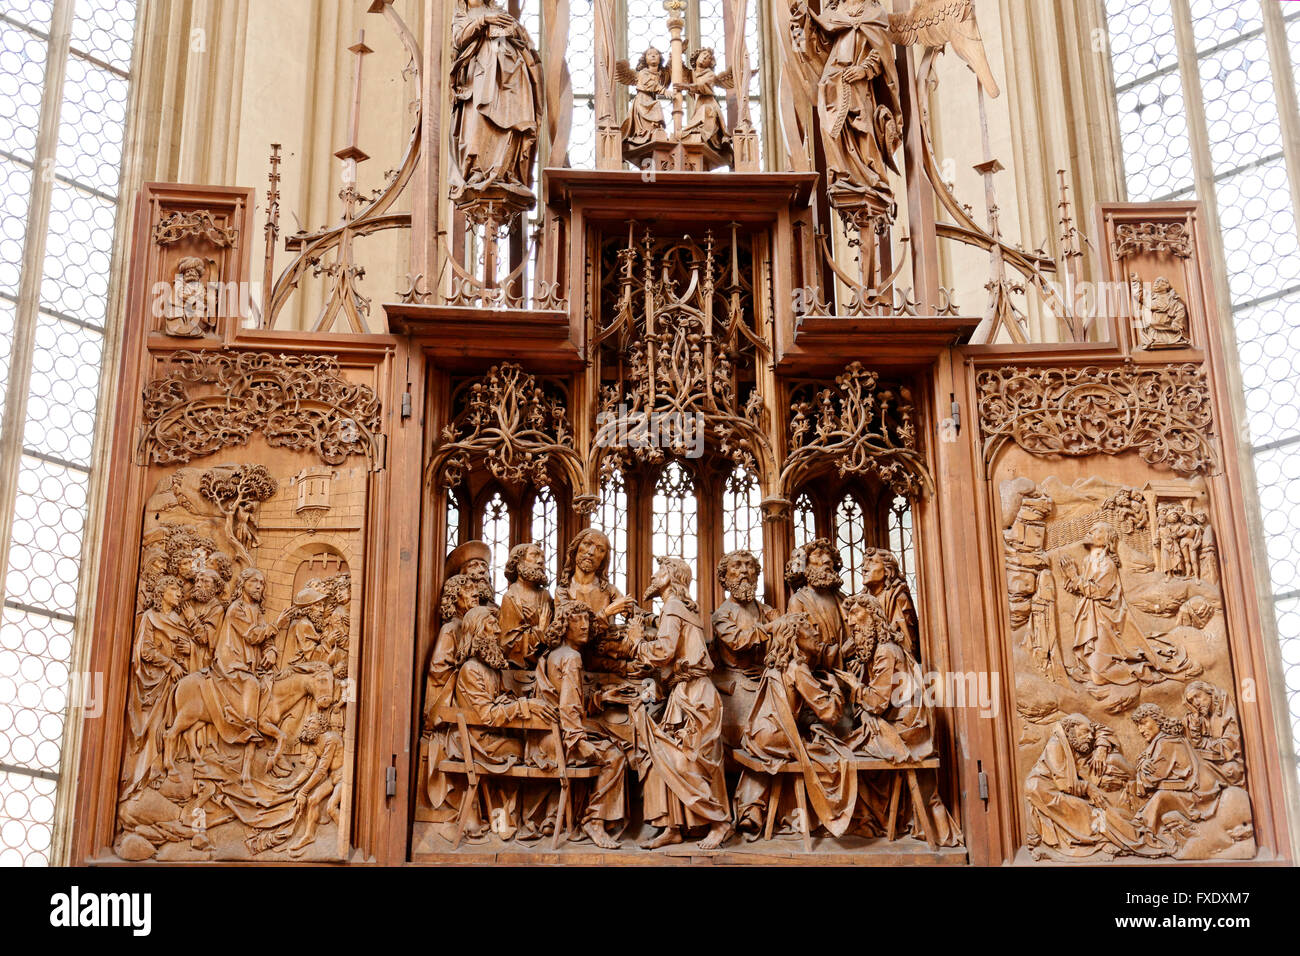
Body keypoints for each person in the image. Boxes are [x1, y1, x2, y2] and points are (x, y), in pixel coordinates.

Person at [627, 557, 732, 850]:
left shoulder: (674, 607)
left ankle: (720, 822)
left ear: (672, 577)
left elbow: (663, 651)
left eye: (659, 570)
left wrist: (637, 642)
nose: (652, 574)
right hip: (683, 692)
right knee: (667, 759)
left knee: (689, 762)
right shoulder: (676, 609)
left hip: (695, 695)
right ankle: (674, 826)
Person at [733, 612, 853, 837]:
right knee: (835, 754)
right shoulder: (798, 668)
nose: (816, 632)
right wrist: (836, 688)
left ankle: (763, 812)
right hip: (777, 737)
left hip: (759, 735)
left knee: (817, 741)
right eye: (809, 628)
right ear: (795, 636)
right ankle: (826, 816)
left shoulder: (777, 664)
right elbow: (829, 713)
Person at [789, 0, 902, 216]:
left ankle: (872, 179)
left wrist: (864, 70)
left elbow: (882, 51)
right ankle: (842, 176)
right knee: (831, 129)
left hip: (859, 82)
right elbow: (814, 43)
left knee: (863, 127)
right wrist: (801, 17)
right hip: (832, 81)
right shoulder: (833, 12)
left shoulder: (873, 12)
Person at [531, 601, 629, 849]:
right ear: (564, 626)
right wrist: (579, 742)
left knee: (608, 740)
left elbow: (564, 699)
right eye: (577, 620)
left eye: (587, 619)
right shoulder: (572, 658)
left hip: (545, 739)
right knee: (615, 756)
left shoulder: (552, 654)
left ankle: (578, 819)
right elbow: (567, 708)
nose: (584, 625)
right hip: (560, 742)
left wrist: (600, 698)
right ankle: (594, 821)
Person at [1024, 713, 1162, 859]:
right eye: (1085, 732)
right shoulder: (1056, 745)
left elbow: (1101, 729)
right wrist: (1089, 788)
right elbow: (1065, 784)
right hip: (1044, 791)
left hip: (1076, 787)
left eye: (1090, 733)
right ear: (1072, 729)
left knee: (1106, 807)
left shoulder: (1079, 734)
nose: (1090, 736)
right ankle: (1109, 841)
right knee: (1090, 812)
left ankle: (1124, 836)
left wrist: (1101, 749)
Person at [448, 0, 541, 210]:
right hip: (479, 78)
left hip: (509, 79)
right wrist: (482, 21)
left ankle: (505, 172)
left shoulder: (498, 11)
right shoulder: (463, 14)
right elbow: (459, 38)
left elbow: (523, 40)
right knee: (479, 122)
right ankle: (478, 172)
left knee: (508, 126)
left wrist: (515, 31)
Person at [120, 576, 192, 798]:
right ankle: (143, 779)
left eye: (180, 589)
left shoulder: (181, 620)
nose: (178, 593)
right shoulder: (151, 618)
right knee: (154, 727)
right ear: (162, 592)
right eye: (173, 588)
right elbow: (145, 650)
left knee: (174, 724)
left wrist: (189, 649)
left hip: (179, 680)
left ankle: (162, 772)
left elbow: (195, 649)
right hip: (156, 680)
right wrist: (169, 663)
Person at [712, 550, 777, 749]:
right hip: (736, 682)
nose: (744, 571)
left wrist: (769, 667)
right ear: (724, 577)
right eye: (737, 566)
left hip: (767, 678)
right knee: (754, 731)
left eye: (749, 566)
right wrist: (771, 627)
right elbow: (738, 641)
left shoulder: (766, 611)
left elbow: (782, 644)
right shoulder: (722, 614)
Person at [555, 528, 638, 674]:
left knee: (648, 634)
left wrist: (658, 619)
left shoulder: (609, 590)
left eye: (600, 549)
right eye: (587, 544)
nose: (591, 552)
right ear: (575, 550)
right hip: (580, 651)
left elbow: (635, 613)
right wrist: (607, 613)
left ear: (603, 559)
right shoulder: (563, 591)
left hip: (605, 646)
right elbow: (569, 631)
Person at [786, 539, 848, 673]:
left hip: (848, 670)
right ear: (804, 564)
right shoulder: (797, 601)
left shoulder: (843, 600)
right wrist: (840, 654)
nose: (826, 560)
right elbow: (801, 647)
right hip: (816, 673)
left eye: (829, 556)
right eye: (818, 555)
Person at [499, 542, 553, 668]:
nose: (540, 561)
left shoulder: (546, 596)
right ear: (519, 563)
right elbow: (508, 645)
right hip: (520, 668)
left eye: (543, 558)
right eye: (534, 555)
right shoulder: (511, 597)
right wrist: (539, 631)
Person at [1183, 680, 1244, 787]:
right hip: (1208, 762)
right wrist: (1195, 719)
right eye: (1191, 701)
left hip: (1226, 764)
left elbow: (1230, 745)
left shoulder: (1223, 704)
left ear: (1209, 692)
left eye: (1197, 696)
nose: (1196, 703)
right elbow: (1195, 743)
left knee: (1231, 770)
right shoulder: (1200, 716)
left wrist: (1205, 744)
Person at [678, 48, 731, 159]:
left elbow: (703, 86)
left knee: (706, 112)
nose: (704, 58)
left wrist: (687, 86)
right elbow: (680, 72)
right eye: (703, 55)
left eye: (707, 57)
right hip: (698, 107)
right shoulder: (691, 74)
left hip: (709, 105)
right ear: (696, 57)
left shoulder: (710, 74)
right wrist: (677, 53)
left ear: (710, 63)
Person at [621, 47, 669, 149]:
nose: (653, 55)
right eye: (649, 54)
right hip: (643, 101)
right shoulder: (643, 73)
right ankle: (645, 133)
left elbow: (667, 77)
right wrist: (664, 91)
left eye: (656, 54)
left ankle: (654, 130)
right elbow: (649, 84)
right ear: (645, 59)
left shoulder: (661, 74)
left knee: (655, 106)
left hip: (650, 100)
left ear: (660, 58)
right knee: (656, 105)